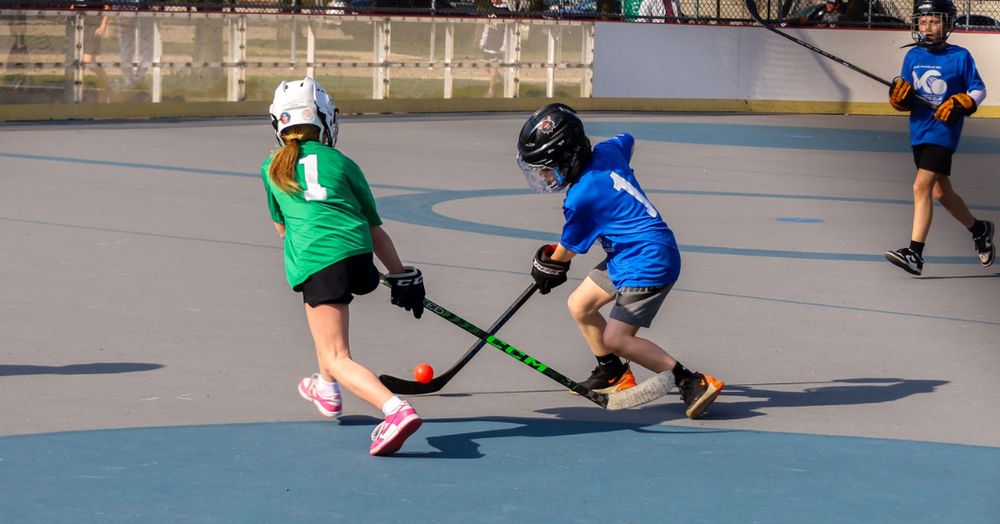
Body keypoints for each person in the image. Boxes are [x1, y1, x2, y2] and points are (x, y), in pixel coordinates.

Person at [516, 103, 724, 419]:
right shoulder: (607, 152)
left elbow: (567, 251)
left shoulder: (581, 197)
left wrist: (548, 266)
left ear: (571, 158)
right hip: (628, 253)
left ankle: (690, 381)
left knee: (617, 338)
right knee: (580, 304)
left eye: (548, 167)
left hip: (648, 261)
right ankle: (611, 372)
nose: (544, 175)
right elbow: (626, 138)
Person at [261, 78, 426, 456]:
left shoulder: (271, 167)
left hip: (318, 262)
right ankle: (325, 385)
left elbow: (281, 228)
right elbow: (374, 228)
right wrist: (400, 273)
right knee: (324, 335)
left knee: (338, 353)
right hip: (359, 257)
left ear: (279, 123)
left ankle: (395, 410)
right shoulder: (342, 162)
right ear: (325, 120)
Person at [884, 0, 993, 276]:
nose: (928, 27)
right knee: (940, 192)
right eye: (923, 22)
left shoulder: (960, 56)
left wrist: (963, 102)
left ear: (948, 24)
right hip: (919, 130)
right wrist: (899, 98)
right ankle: (979, 229)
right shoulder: (912, 57)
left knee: (921, 187)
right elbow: (905, 94)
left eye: (935, 21)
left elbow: (979, 89)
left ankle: (915, 254)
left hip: (944, 132)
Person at [479, 0, 506, 97]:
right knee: (487, 68)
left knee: (494, 69)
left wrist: (504, 46)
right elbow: (487, 26)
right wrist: (483, 41)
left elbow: (507, 30)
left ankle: (491, 91)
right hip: (489, 44)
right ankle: (505, 83)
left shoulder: (505, 10)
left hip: (498, 46)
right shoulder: (490, 10)